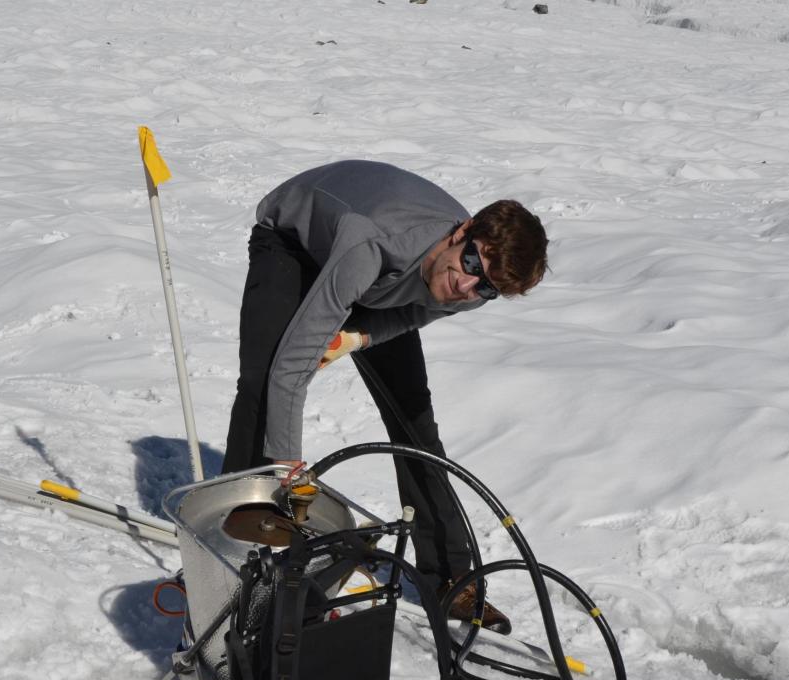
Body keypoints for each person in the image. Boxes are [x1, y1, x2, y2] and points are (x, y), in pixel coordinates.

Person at [220, 160, 549, 634]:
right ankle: (238, 527)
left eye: (488, 288)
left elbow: (415, 312)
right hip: (295, 246)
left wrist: (359, 338)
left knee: (416, 425)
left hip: (379, 283)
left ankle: (453, 580)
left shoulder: (473, 285)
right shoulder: (370, 241)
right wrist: (286, 465)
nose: (468, 286)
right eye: (473, 264)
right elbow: (292, 366)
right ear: (462, 232)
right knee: (266, 374)